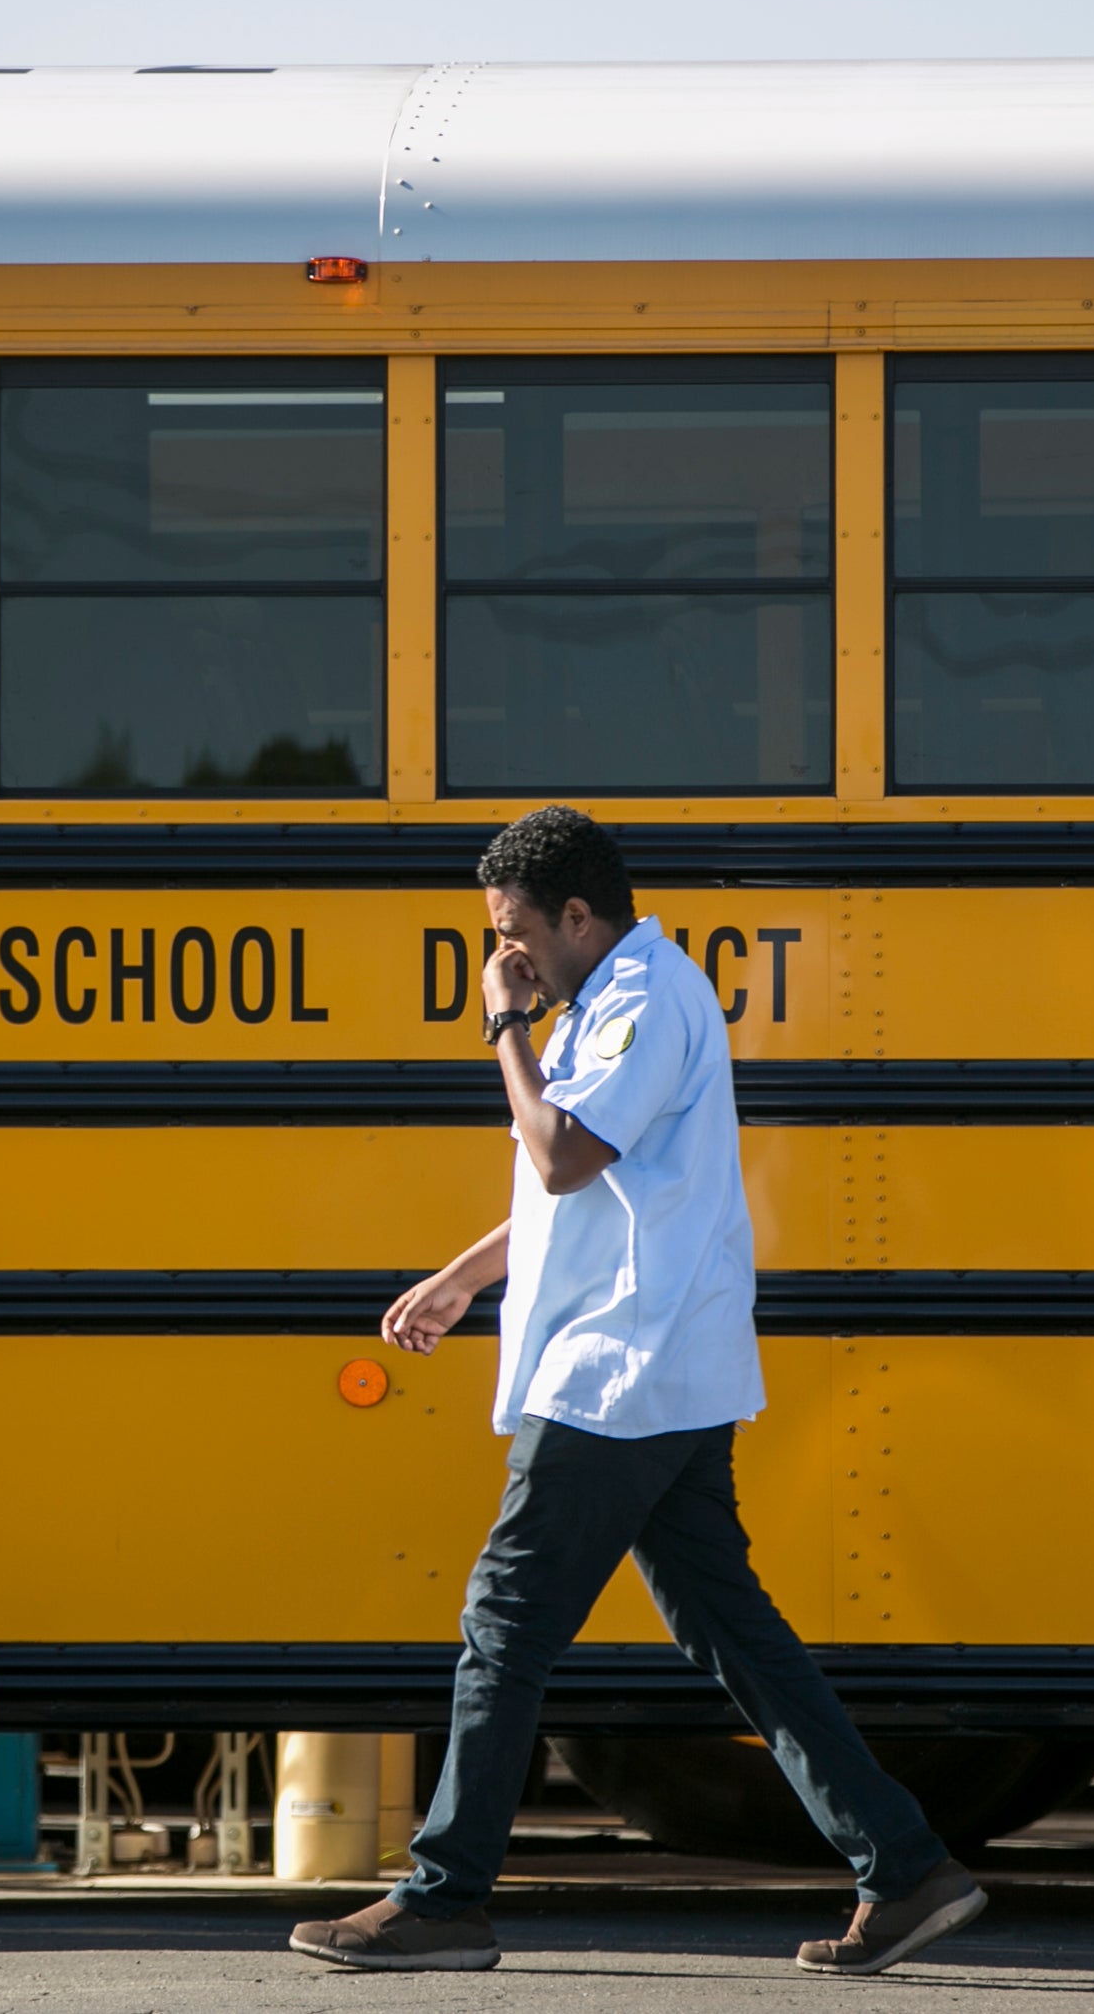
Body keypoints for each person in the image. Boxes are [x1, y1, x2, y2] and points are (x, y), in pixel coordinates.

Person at [288, 805, 985, 1977]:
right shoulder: (613, 1002)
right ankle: (908, 1867)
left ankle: (444, 1895)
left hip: (622, 1372)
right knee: (737, 1636)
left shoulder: (647, 996)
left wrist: (505, 1025)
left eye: (513, 934)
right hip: (652, 1369)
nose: (504, 958)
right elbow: (579, 1184)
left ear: (575, 915)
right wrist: (462, 1278)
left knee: (504, 1625)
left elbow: (564, 1150)